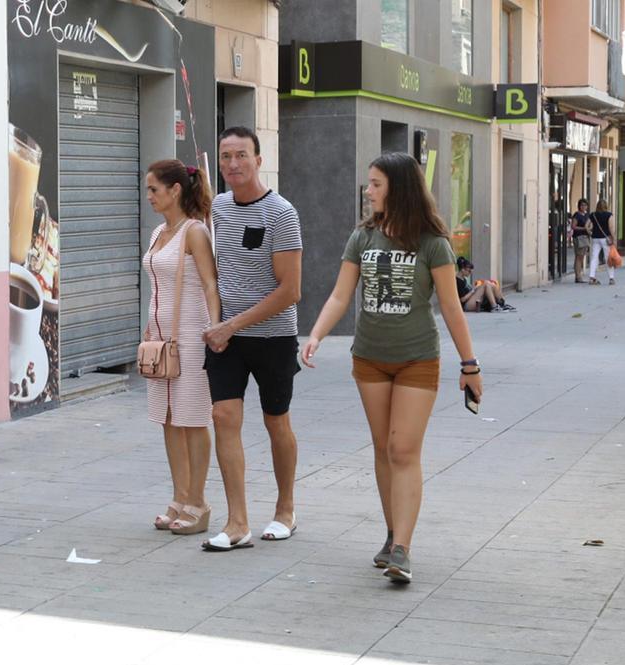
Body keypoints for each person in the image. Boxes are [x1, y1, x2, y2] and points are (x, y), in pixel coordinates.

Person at [300, 153, 482, 583]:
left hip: (418, 358)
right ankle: (391, 533)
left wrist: (469, 364)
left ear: (397, 188)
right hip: (369, 358)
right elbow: (341, 296)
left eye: (376, 184)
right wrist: (316, 335)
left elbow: (452, 308)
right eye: (369, 183)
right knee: (383, 448)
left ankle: (402, 547)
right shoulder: (362, 237)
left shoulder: (433, 242)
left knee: (403, 450)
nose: (368, 191)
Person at [200, 127, 303, 552]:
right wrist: (217, 325)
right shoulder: (218, 210)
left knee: (275, 419)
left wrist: (232, 324)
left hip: (273, 337)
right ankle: (237, 521)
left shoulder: (281, 213)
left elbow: (290, 290)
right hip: (225, 339)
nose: (233, 164)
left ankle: (285, 510)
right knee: (224, 417)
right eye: (226, 156)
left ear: (259, 160)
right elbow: (214, 275)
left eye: (242, 155)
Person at [143, 160, 219, 536]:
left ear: (176, 190)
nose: (149, 197)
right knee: (169, 420)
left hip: (191, 336)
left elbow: (209, 284)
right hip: (160, 339)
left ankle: (199, 502)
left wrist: (216, 328)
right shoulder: (160, 231)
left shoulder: (195, 232)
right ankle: (179, 496)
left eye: (154, 189)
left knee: (192, 420)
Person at [588, 199, 617, 285]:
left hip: (595, 238)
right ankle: (611, 278)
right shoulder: (609, 215)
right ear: (606, 206)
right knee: (608, 258)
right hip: (605, 239)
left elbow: (586, 225)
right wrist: (614, 238)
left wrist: (590, 232)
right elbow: (611, 228)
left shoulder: (593, 215)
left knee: (594, 257)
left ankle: (591, 277)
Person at [569, 199, 591, 283]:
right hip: (578, 237)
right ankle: (578, 276)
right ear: (579, 206)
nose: (583, 207)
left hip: (585, 237)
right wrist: (583, 228)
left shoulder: (587, 215)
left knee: (582, 257)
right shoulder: (577, 215)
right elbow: (573, 226)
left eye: (585, 205)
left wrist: (589, 228)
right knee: (579, 256)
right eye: (582, 205)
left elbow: (590, 224)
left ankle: (578, 275)